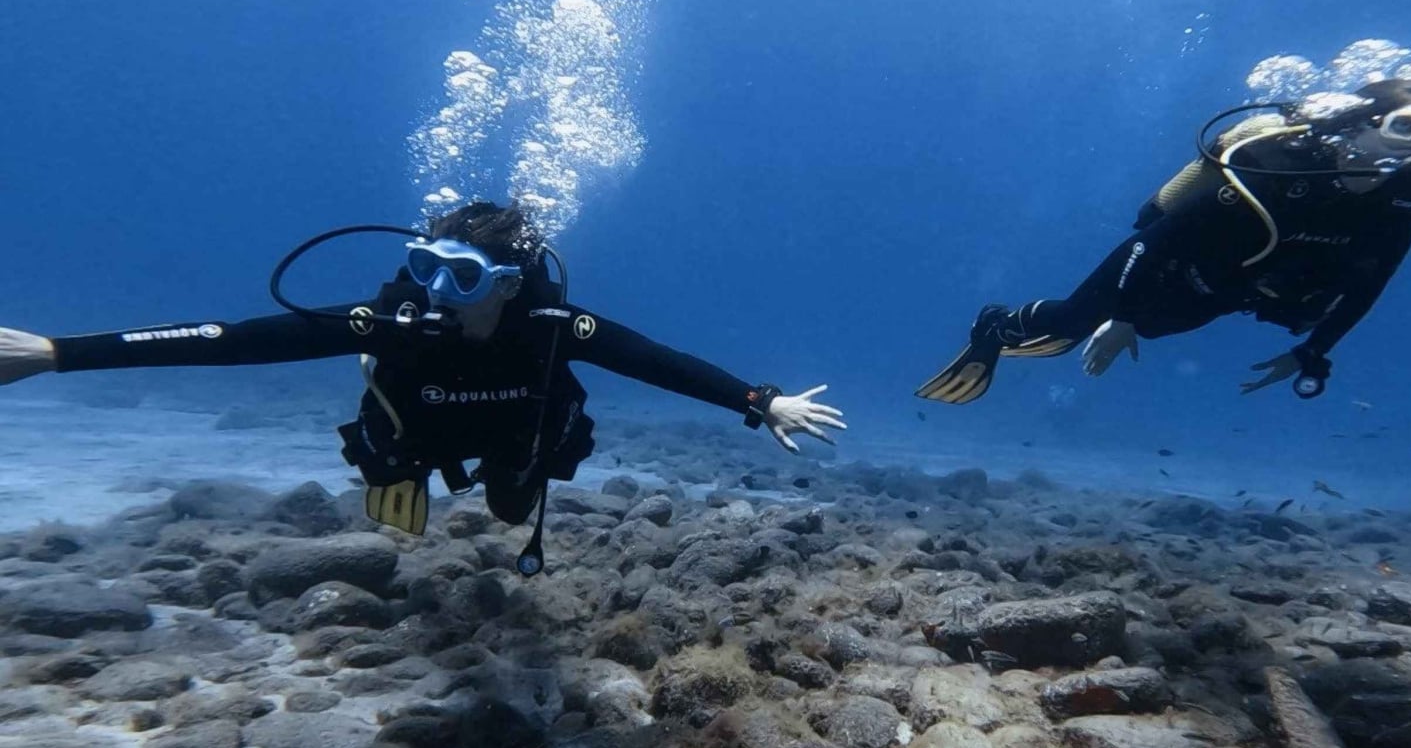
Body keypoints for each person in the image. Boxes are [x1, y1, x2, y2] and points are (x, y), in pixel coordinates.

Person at [0, 202, 845, 570]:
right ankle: (400, 466)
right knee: (393, 475)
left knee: (515, 510)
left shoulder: (556, 329)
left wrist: (759, 399)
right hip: (419, 434)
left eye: (465, 278)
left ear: (511, 285)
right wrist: (59, 352)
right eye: (427, 268)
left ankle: (487, 480)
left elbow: (657, 359)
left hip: (519, 438)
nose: (438, 291)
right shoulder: (395, 318)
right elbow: (236, 341)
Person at [917, 78, 1411, 404]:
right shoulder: (1273, 168)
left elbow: (1373, 280)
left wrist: (1313, 351)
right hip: (1166, 260)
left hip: (1232, 286)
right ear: (1357, 125)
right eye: (1410, 127)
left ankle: (1099, 325)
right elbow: (1158, 240)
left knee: (1157, 329)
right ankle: (995, 325)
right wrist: (1117, 315)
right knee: (1075, 319)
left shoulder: (1405, 200)